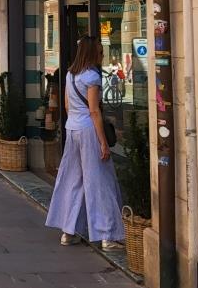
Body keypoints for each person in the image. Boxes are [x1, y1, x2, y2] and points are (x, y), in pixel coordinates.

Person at [45, 35, 125, 251]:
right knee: (100, 181)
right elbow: (94, 111)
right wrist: (103, 143)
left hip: (72, 129)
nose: (102, 55)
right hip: (89, 131)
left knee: (73, 180)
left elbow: (67, 106)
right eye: (100, 52)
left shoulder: (71, 75)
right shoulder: (92, 76)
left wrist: (75, 122)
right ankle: (107, 235)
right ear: (91, 53)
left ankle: (69, 231)